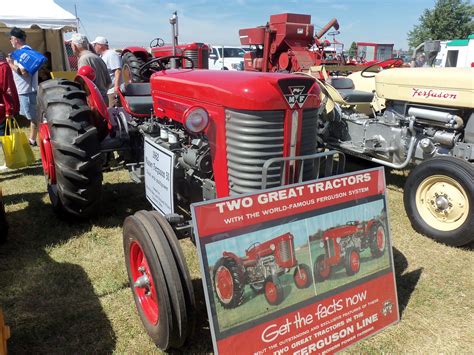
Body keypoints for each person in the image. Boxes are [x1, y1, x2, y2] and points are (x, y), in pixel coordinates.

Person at [6, 27, 38, 146]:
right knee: (30, 115)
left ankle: (32, 140)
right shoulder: (23, 52)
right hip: (24, 89)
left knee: (33, 117)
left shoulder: (24, 52)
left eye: (11, 38)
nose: (10, 41)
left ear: (16, 39)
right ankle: (33, 139)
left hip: (27, 90)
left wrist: (10, 64)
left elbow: (24, 72)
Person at [71, 33, 111, 105]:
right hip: (104, 99)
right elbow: (109, 82)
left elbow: (83, 84)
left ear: (74, 46)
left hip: (93, 103)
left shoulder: (84, 59)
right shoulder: (98, 58)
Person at [0, 50, 20, 170]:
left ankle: (8, 160)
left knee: (3, 135)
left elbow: (6, 88)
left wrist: (9, 108)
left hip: (3, 106)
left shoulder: (3, 68)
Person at [91, 36, 122, 107]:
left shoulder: (111, 54)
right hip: (107, 91)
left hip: (112, 91)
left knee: (113, 112)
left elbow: (117, 70)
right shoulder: (102, 56)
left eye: (95, 45)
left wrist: (116, 87)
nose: (94, 47)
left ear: (100, 45)